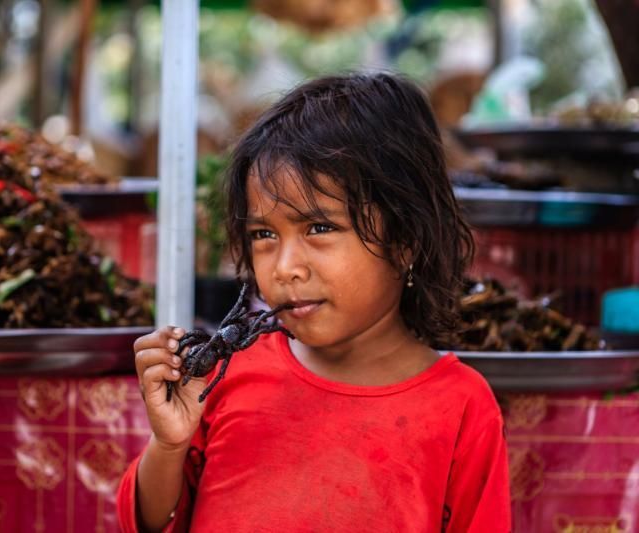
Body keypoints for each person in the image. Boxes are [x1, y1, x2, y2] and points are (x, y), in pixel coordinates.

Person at [117, 72, 511, 532]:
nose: (285, 267)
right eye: (263, 235)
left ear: (405, 237)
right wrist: (169, 445)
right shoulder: (224, 378)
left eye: (319, 228)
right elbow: (147, 522)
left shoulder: (461, 406)